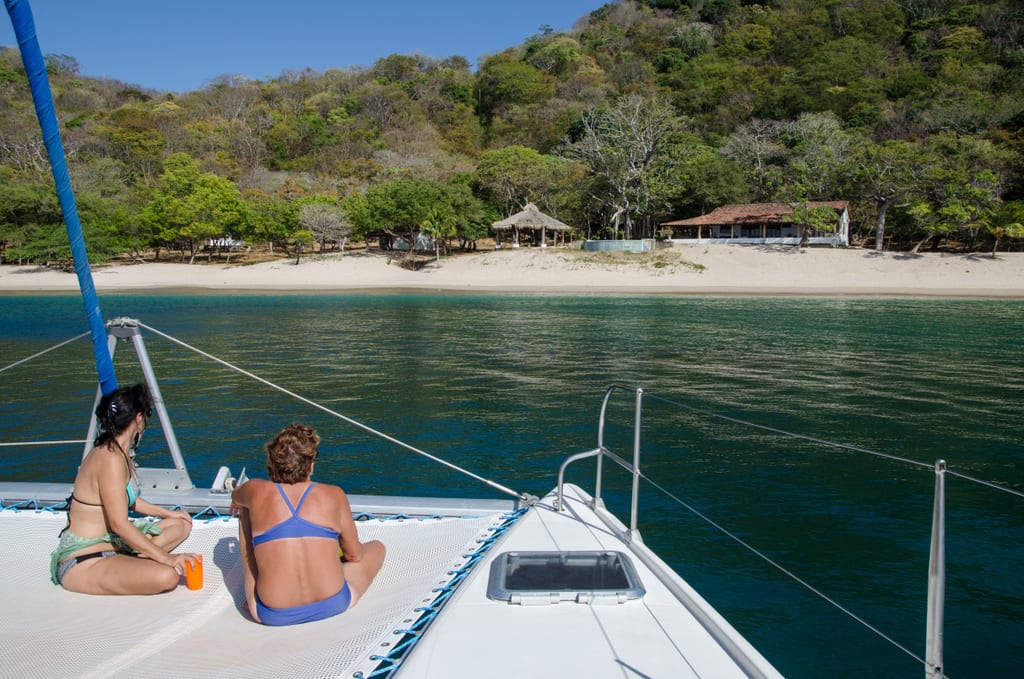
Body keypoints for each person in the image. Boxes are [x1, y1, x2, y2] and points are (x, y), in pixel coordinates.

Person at [231, 423, 386, 626]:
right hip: (334, 603)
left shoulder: (254, 490)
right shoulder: (333, 494)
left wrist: (244, 503)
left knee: (245, 508)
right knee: (376, 547)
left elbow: (236, 497)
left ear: (272, 462)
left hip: (271, 613)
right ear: (311, 463)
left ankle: (253, 592)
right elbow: (354, 555)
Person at [50, 383, 199, 594]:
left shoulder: (119, 451)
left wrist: (169, 513)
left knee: (180, 525)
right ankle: (142, 561)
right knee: (168, 576)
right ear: (138, 418)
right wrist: (168, 558)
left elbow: (127, 500)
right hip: (85, 559)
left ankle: (138, 560)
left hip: (115, 546)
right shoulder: (110, 458)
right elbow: (119, 524)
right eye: (147, 415)